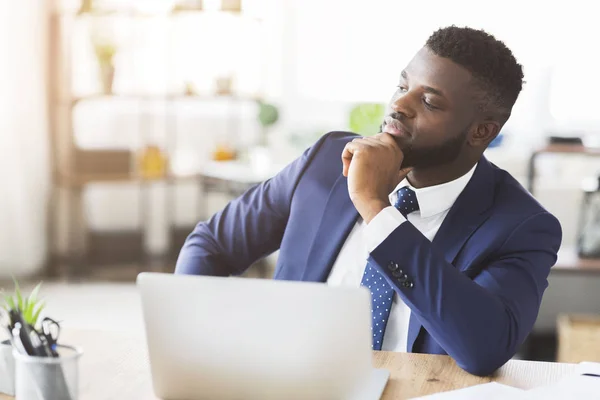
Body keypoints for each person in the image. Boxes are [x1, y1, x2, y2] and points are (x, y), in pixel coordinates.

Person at [175, 26, 562, 376]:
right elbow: (211, 245)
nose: (399, 106)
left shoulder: (520, 227)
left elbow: (483, 349)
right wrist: (210, 344)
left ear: (480, 132)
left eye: (429, 102)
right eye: (402, 85)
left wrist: (376, 209)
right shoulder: (326, 163)